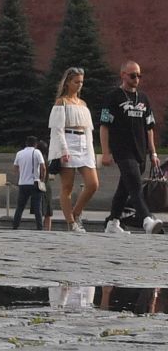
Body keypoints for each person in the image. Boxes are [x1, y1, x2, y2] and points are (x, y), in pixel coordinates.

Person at [100, 60, 161, 236]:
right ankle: (147, 220)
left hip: (140, 152)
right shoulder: (112, 97)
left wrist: (153, 152)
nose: (136, 79)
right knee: (135, 185)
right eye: (133, 75)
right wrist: (106, 152)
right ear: (123, 75)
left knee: (124, 189)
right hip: (122, 151)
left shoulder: (143, 99)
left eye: (139, 75)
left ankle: (112, 222)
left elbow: (149, 128)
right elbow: (104, 126)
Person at [48, 66, 98, 231]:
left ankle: (76, 213)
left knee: (93, 184)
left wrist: (91, 152)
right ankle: (70, 222)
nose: (79, 85)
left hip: (83, 143)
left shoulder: (83, 104)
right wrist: (63, 150)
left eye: (81, 82)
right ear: (68, 82)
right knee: (67, 186)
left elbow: (89, 130)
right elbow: (57, 129)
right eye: (76, 82)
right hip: (68, 141)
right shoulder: (61, 102)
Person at [11, 135, 46, 231]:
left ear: (26, 143)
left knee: (20, 207)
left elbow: (15, 168)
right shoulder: (37, 152)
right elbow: (43, 167)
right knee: (37, 207)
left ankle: (15, 226)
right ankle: (39, 227)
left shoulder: (19, 153)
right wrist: (42, 179)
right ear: (35, 144)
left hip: (22, 183)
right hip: (34, 182)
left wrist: (21, 175)